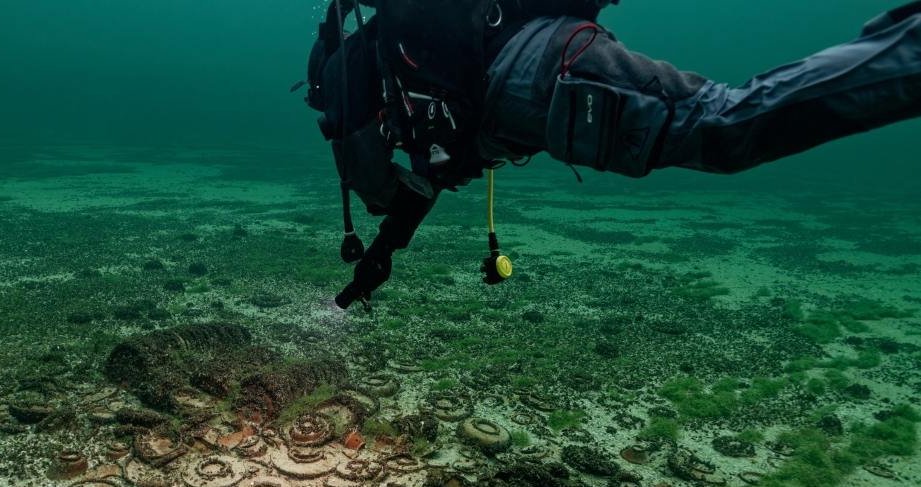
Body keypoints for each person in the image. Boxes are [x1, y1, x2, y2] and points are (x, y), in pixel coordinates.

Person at [306, 1, 921, 310]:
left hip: (511, 82)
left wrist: (379, 253)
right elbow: (423, 183)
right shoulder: (419, 92)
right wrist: (380, 256)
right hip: (530, 62)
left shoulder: (390, 92)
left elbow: (413, 183)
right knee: (718, 124)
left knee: (719, 126)